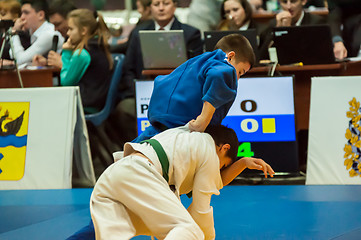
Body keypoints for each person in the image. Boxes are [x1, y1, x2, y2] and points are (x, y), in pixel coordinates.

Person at [90, 124, 275, 240]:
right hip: (140, 173)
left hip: (114, 174)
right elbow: (201, 210)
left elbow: (214, 182)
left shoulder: (187, 132)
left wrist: (242, 163)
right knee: (191, 231)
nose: (218, 170)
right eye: (223, 165)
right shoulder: (210, 151)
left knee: (120, 233)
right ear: (223, 148)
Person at [133, 33, 255, 142]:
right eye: (240, 72)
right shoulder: (225, 67)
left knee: (130, 156)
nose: (237, 78)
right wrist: (203, 120)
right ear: (230, 56)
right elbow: (218, 74)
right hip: (180, 132)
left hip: (158, 126)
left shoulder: (198, 61)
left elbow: (160, 80)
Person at [119, 0, 203, 100]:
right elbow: (128, 69)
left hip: (180, 93)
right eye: (156, 4)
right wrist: (137, 91)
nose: (161, 8)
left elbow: (196, 70)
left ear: (174, 6)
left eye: (166, 3)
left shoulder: (191, 34)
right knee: (125, 108)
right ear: (150, 8)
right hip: (144, 93)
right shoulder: (138, 33)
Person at [55, 9, 112, 113]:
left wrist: (67, 53)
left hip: (84, 105)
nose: (68, 33)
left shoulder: (82, 54)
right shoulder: (99, 45)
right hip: (97, 102)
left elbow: (66, 82)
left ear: (83, 30)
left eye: (71, 29)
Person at [258, 0, 326, 60]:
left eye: (293, 1)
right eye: (284, 2)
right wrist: (277, 30)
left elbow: (312, 54)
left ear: (303, 1)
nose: (289, 6)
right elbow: (261, 57)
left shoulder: (316, 22)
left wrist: (288, 32)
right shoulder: (274, 23)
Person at [9, 0, 64, 65]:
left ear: (40, 15)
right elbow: (13, 55)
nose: (22, 17)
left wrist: (14, 32)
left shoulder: (49, 34)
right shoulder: (31, 31)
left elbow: (19, 60)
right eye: (21, 13)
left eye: (26, 13)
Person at [31, 0, 76, 69]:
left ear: (72, 20)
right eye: (53, 25)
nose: (55, 29)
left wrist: (61, 64)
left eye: (58, 24)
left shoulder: (87, 44)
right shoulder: (67, 39)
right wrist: (47, 62)